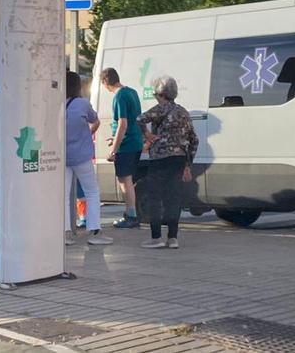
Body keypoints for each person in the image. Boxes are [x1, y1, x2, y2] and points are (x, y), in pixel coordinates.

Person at [135, 75, 198, 249]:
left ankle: (156, 237)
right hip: (178, 160)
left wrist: (146, 135)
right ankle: (173, 238)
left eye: (156, 93)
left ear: (161, 94)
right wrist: (188, 164)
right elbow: (194, 140)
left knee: (155, 197)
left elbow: (139, 119)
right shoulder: (183, 112)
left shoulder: (160, 109)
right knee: (173, 198)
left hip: (160, 159)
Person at [64, 71, 112, 246]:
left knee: (64, 194)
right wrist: (89, 131)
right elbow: (95, 120)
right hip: (82, 156)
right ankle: (95, 231)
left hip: (63, 157)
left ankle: (66, 233)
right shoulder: (83, 104)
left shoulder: (56, 104)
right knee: (91, 191)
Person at [100, 67, 143, 229]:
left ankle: (131, 215)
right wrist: (116, 137)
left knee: (125, 180)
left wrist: (114, 149)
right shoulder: (132, 92)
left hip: (126, 146)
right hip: (135, 141)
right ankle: (131, 214)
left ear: (105, 81)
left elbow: (122, 123)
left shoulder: (118, 96)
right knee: (129, 180)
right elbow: (134, 121)